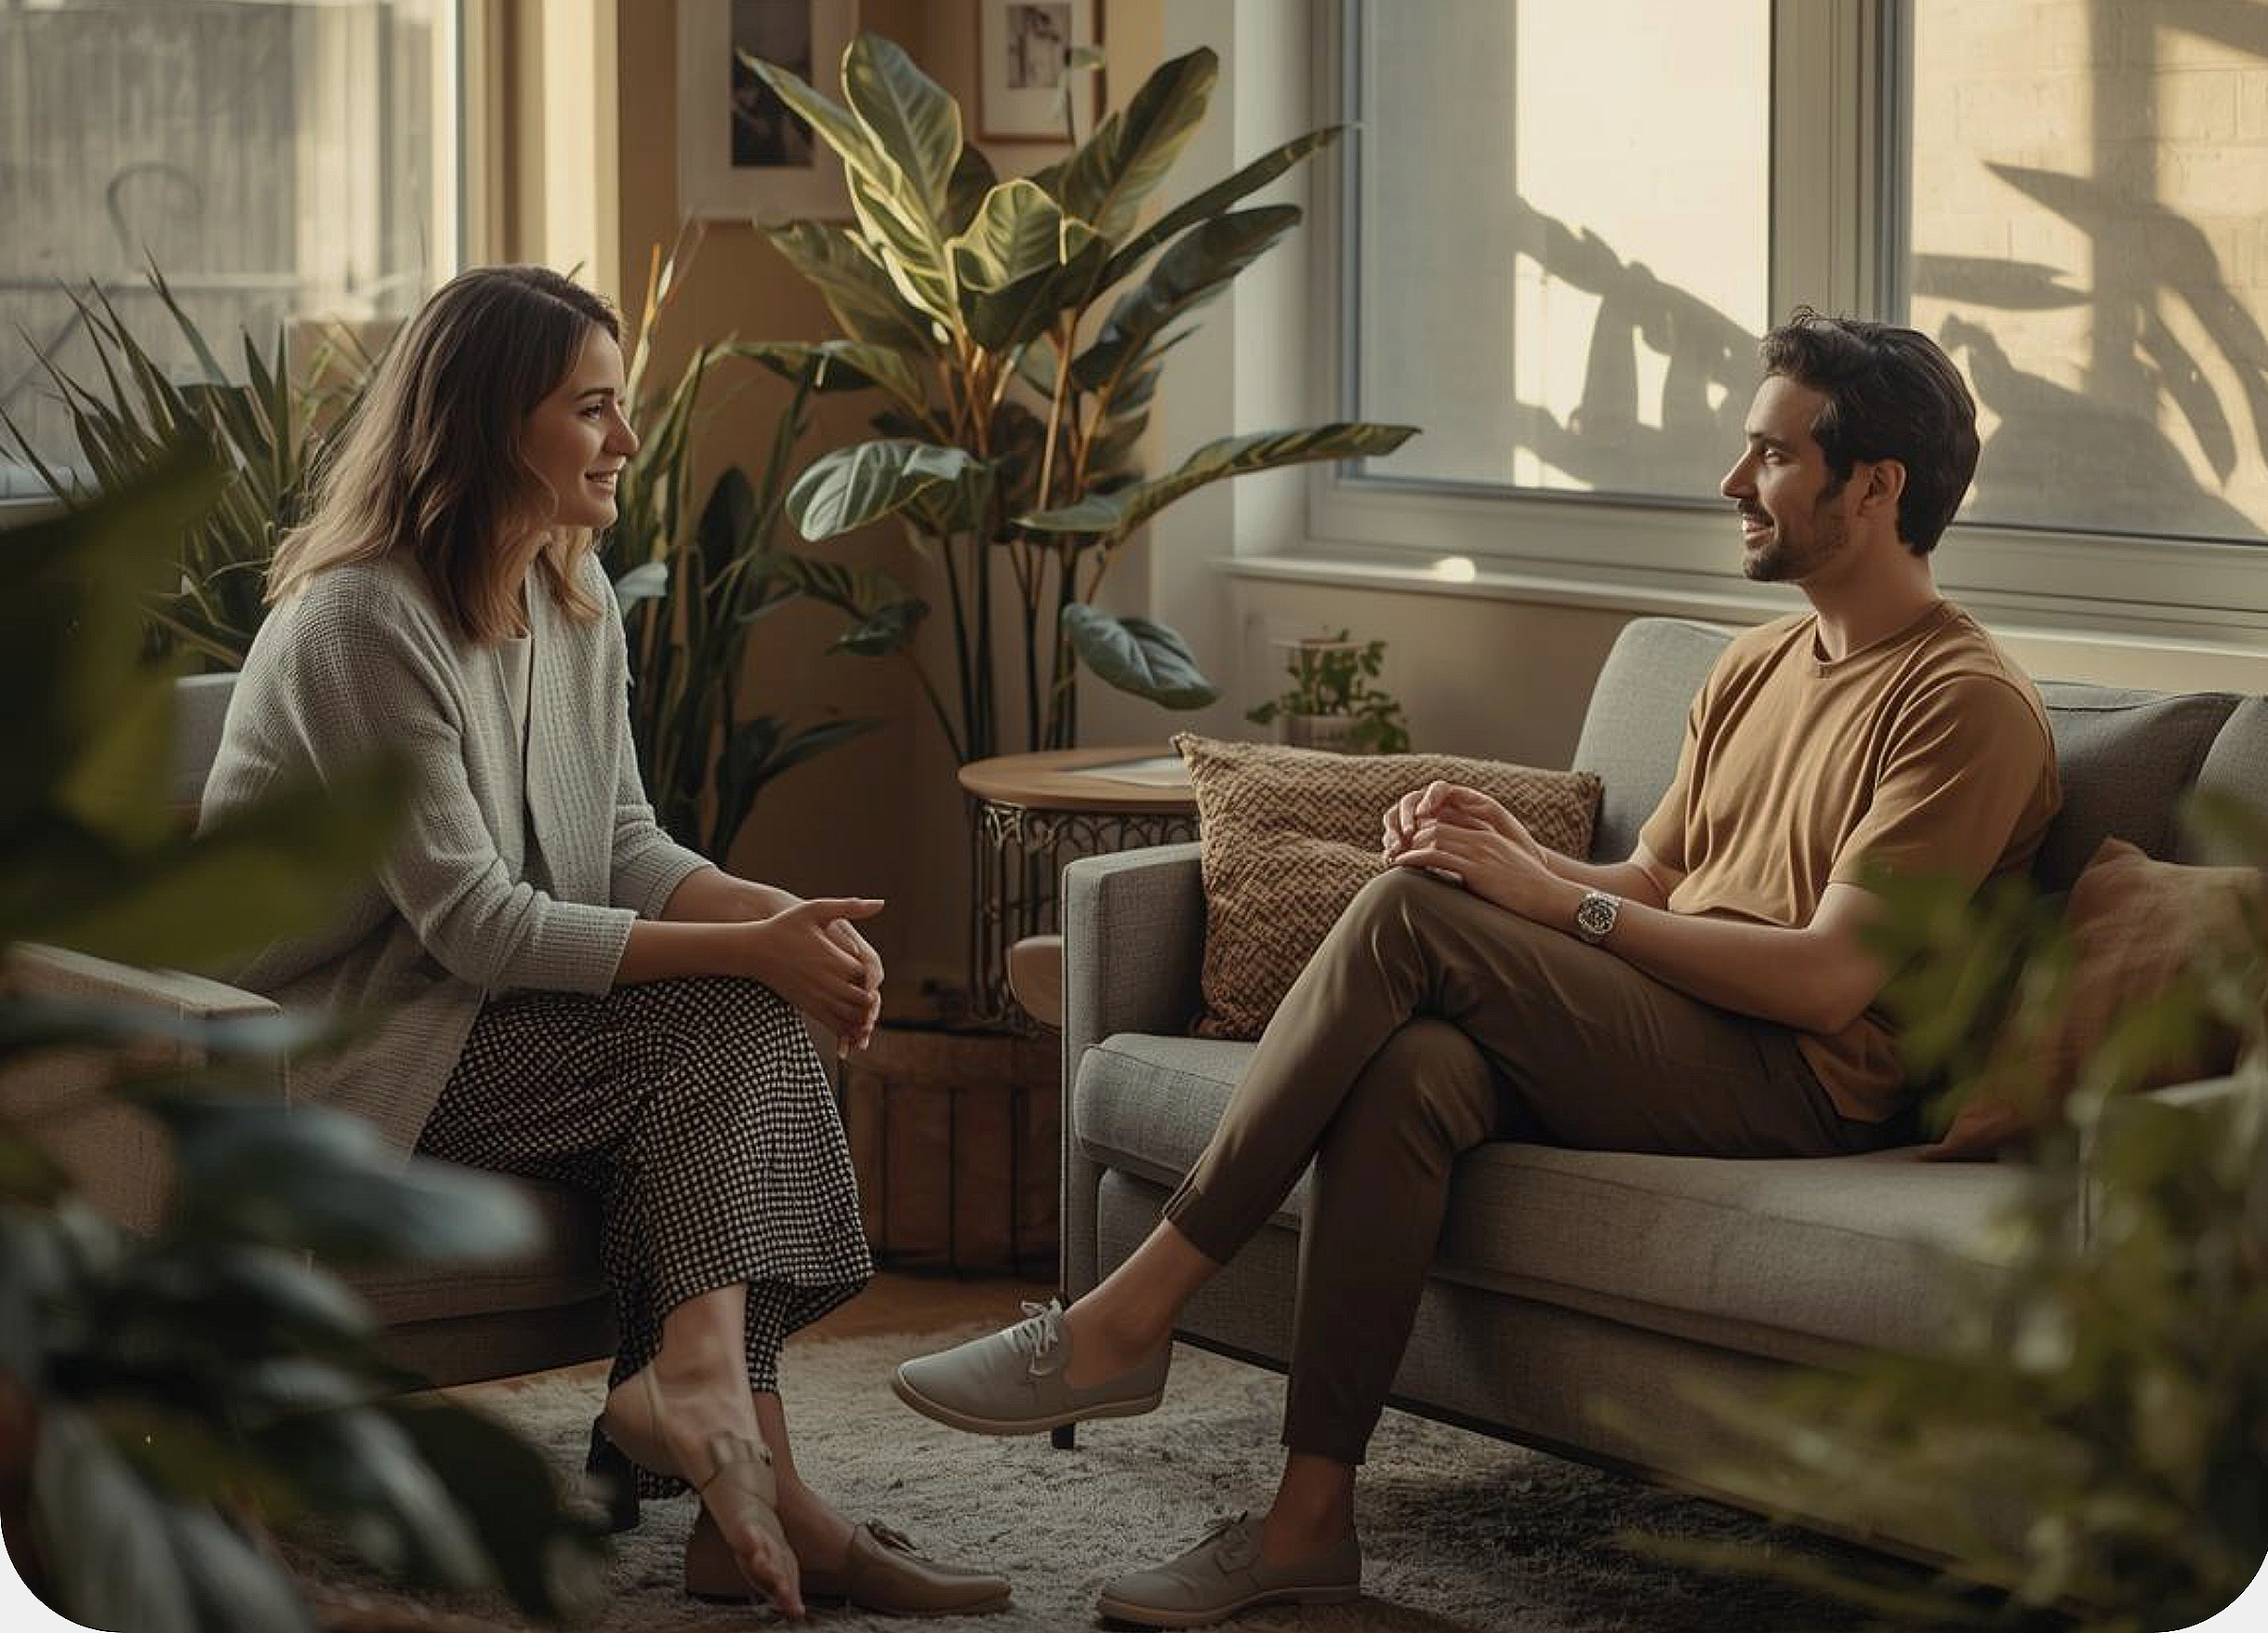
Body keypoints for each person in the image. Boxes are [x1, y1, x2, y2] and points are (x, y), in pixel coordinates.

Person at [893, 310, 2062, 1627]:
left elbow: (1825, 986)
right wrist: (1522, 862)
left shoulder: (1961, 704)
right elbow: (1660, 888)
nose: (1733, 485)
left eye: (1772, 455)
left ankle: (1127, 1315)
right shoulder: (1754, 666)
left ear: (1877, 485)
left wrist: (1542, 914)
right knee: (1416, 1067)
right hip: (1685, 1033)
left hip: (1807, 1085)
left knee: (1406, 918)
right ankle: (1304, 1528)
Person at [203, 265, 1010, 1621]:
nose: (628, 443)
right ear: (480, 424)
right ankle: (735, 1450)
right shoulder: (359, 622)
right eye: (593, 410)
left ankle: (702, 1413)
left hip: (479, 1024)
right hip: (327, 1055)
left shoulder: (576, 602)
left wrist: (775, 921)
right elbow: (473, 922)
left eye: (621, 407)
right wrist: (756, 959)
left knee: (742, 1026)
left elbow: (625, 841)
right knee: (731, 1025)